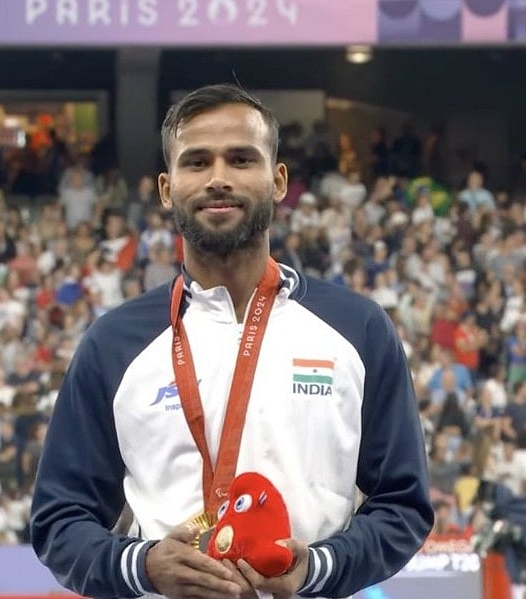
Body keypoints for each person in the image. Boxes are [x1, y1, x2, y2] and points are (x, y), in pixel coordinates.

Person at [30, 84, 433, 599]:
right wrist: (144, 565)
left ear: (278, 180)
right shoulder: (113, 344)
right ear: (166, 188)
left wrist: (318, 568)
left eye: (241, 159)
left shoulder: (359, 329)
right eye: (196, 162)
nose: (218, 178)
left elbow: (403, 504)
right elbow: (59, 519)